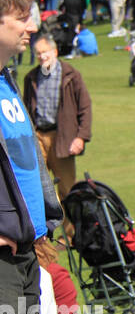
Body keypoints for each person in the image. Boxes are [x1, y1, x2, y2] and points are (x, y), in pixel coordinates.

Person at [0, 0, 63, 314]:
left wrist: (43, 223)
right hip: (3, 247)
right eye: (21, 19)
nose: (30, 28)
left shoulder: (7, 81)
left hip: (26, 244)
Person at [22, 33, 92, 201]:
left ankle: (71, 228)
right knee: (37, 189)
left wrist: (81, 137)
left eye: (45, 52)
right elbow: (25, 110)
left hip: (63, 138)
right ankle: (43, 227)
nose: (41, 56)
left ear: (54, 52)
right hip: (38, 137)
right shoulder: (30, 77)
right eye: (38, 53)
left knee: (68, 191)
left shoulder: (71, 75)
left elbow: (85, 107)